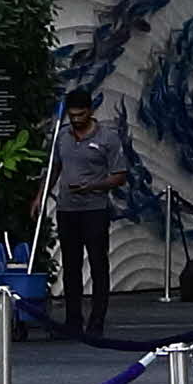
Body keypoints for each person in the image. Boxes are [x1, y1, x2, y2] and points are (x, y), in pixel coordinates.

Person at [46, 96, 134, 345]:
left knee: (98, 265)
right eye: (72, 116)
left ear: (91, 112)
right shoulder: (62, 136)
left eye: (81, 115)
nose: (76, 120)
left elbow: (119, 175)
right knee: (71, 266)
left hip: (95, 209)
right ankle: (73, 320)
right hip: (67, 209)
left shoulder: (108, 137)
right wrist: (40, 197)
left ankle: (97, 321)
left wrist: (93, 186)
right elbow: (55, 168)